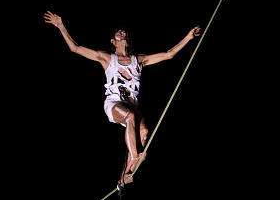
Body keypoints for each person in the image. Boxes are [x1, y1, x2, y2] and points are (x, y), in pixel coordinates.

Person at [44, 11, 200, 184]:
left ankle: (124, 178)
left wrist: (188, 37)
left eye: (124, 32)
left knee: (144, 132)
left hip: (133, 105)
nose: (122, 33)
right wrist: (61, 26)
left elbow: (168, 54)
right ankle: (134, 156)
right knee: (130, 117)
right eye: (118, 33)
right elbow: (76, 48)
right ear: (112, 41)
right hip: (114, 104)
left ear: (128, 39)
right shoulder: (107, 58)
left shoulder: (138, 60)